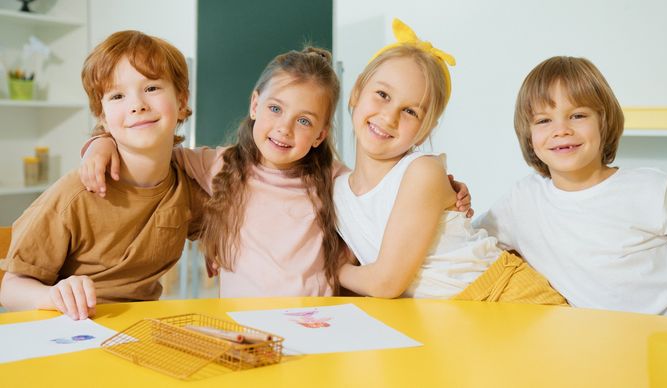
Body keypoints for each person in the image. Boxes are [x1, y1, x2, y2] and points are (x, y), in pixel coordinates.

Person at [79, 46, 473, 297]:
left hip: (318, 326)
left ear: (320, 134)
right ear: (255, 105)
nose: (284, 128)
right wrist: (102, 141)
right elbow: (151, 146)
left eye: (304, 122)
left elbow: (386, 201)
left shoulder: (337, 183)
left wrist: (447, 193)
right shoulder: (217, 165)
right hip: (243, 330)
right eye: (275, 109)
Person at [334, 18, 566, 305]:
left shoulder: (422, 172)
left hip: (504, 295)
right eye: (382, 95)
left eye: (410, 111)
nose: (389, 116)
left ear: (426, 129)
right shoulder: (337, 191)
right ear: (357, 91)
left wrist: (336, 271)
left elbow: (386, 282)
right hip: (449, 315)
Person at [0, 30, 204, 320]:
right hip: (72, 330)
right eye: (118, 95)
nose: (137, 105)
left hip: (141, 329)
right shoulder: (76, 194)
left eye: (152, 88)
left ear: (182, 101)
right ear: (103, 117)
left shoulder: (187, 185)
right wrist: (53, 295)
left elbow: (222, 228)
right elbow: (10, 288)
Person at [475, 56, 667, 317]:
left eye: (577, 115)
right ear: (529, 137)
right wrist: (453, 197)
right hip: (591, 344)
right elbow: (470, 244)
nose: (561, 129)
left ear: (604, 122)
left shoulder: (655, 189)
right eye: (544, 120)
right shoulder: (522, 200)